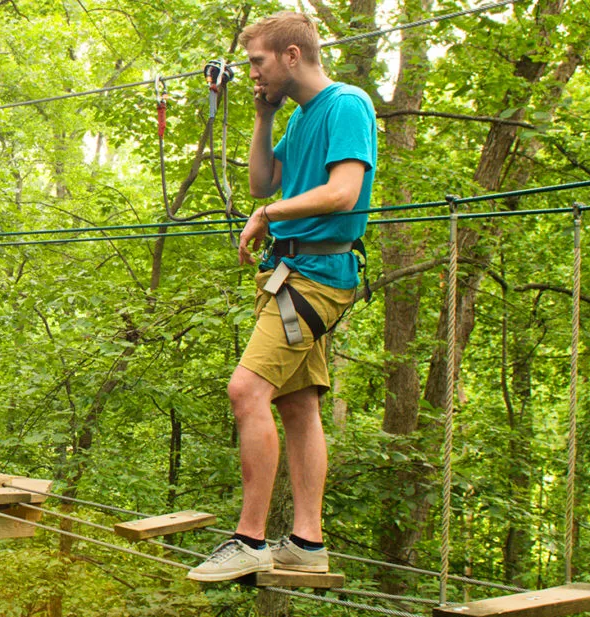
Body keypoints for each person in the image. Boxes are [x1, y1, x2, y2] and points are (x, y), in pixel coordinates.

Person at [187, 11, 375, 582]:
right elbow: (263, 182)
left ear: (292, 55)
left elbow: (343, 193)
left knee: (246, 390)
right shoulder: (300, 118)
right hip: (292, 273)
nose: (251, 73)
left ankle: (249, 538)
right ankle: (307, 543)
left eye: (257, 63)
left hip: (317, 276)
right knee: (298, 405)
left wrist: (268, 215)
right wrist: (264, 117)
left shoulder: (346, 103)